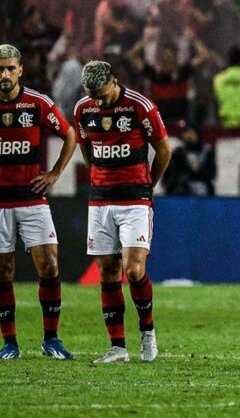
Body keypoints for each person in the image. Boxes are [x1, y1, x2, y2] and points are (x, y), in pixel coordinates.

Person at [0, 44, 77, 360]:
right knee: (2, 271)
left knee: (49, 264)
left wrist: (55, 173)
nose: (4, 74)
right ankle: (10, 345)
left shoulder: (38, 103)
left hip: (32, 199)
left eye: (10, 68)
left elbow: (70, 135)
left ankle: (51, 340)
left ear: (20, 70)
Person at [74, 61, 172, 363]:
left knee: (133, 269)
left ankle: (147, 333)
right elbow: (86, 147)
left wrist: (148, 185)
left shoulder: (140, 107)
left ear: (115, 82)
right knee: (107, 272)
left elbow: (164, 149)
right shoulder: (83, 110)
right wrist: (98, 176)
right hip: (100, 200)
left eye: (103, 95)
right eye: (93, 97)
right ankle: (117, 346)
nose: (99, 102)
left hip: (134, 200)